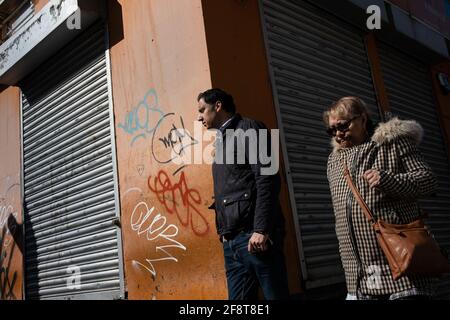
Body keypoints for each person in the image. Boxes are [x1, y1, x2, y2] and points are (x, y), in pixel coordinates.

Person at [324, 96, 438, 300]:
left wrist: (388, 180)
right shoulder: (334, 159)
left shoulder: (391, 143)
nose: (338, 133)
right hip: (358, 276)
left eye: (342, 125)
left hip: (401, 268)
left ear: (363, 119)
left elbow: (427, 180)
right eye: (332, 130)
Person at [197, 88, 289, 300]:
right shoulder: (222, 141)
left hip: (254, 238)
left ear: (218, 106)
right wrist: (223, 233)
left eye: (202, 109)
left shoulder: (250, 128)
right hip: (232, 242)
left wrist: (261, 229)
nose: (199, 116)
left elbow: (268, 179)